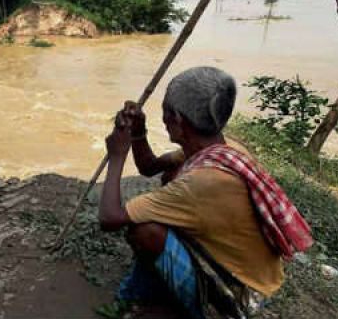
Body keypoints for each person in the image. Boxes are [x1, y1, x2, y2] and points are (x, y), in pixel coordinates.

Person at [98, 66, 313, 318]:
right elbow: (149, 167)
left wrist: (116, 156)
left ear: (177, 121)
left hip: (240, 296)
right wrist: (138, 133)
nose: (164, 119)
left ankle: (189, 307)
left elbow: (109, 218)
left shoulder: (201, 182)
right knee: (170, 177)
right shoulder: (221, 149)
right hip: (251, 275)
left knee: (144, 231)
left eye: (165, 112)